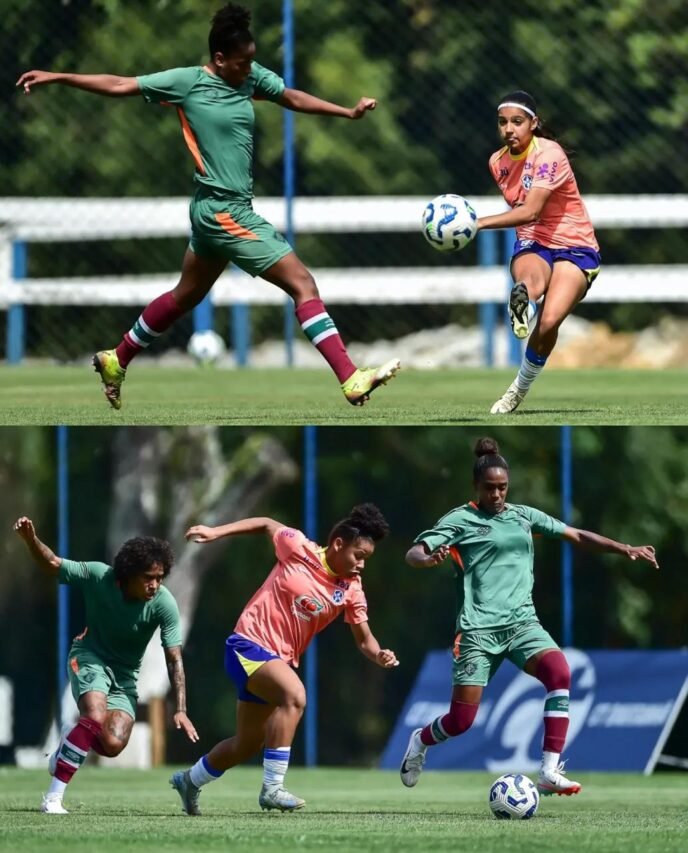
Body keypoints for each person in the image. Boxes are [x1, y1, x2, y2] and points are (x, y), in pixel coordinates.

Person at [16, 3, 400, 411]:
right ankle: (350, 378)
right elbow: (118, 85)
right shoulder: (188, 83)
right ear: (219, 59)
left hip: (212, 211)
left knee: (185, 296)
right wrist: (59, 77)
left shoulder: (249, 79)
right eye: (243, 61)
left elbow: (290, 96)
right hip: (224, 212)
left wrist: (347, 112)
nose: (250, 67)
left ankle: (117, 358)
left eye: (252, 58)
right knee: (302, 284)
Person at [400, 437, 658, 796]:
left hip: (523, 624)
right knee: (461, 721)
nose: (496, 495)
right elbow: (415, 552)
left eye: (502, 487)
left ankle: (549, 770)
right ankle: (421, 740)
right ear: (476, 487)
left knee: (560, 672)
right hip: (478, 632)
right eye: (489, 488)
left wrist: (624, 547)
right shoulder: (460, 519)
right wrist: (427, 559)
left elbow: (576, 534)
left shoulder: (523, 516)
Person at [169, 503, 398, 815]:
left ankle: (189, 781)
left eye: (366, 559)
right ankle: (272, 788)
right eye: (358, 555)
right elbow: (265, 522)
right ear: (338, 544)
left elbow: (365, 639)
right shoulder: (297, 546)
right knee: (295, 696)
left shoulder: (352, 589)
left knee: (246, 744)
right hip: (247, 645)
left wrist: (379, 654)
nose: (361, 564)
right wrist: (215, 532)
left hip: (278, 662)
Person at [13, 516, 198, 814]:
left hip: (125, 677)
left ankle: (66, 744)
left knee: (112, 743)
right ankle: (53, 798)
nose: (155, 585)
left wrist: (180, 709)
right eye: (148, 577)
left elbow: (174, 658)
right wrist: (31, 540)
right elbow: (52, 563)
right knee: (95, 715)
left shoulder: (164, 604)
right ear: (127, 574)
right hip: (88, 656)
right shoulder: (99, 576)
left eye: (160, 577)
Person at [476, 91, 601, 414]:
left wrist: (475, 223)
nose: (509, 129)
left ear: (534, 123)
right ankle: (524, 299)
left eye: (517, 122)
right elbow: (529, 221)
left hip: (575, 245)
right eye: (503, 122)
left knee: (548, 325)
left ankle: (517, 389)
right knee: (529, 281)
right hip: (534, 241)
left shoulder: (549, 154)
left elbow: (531, 210)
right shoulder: (497, 162)